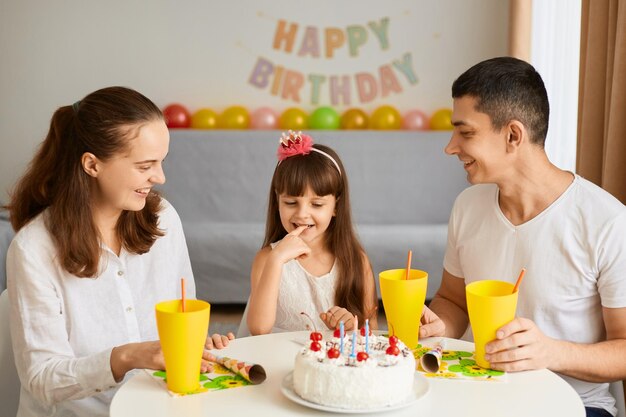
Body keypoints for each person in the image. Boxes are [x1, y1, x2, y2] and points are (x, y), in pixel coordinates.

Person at [5, 86, 234, 417]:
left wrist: (198, 346)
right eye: (145, 166)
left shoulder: (163, 218)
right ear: (92, 164)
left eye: (161, 162)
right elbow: (42, 378)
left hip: (158, 405)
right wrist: (125, 357)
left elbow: (181, 318)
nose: (160, 177)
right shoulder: (33, 249)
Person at [419, 57, 626, 417]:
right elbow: (453, 300)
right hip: (476, 394)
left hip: (574, 404)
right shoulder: (468, 206)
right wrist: (440, 324)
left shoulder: (606, 221)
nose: (450, 147)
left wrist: (552, 352)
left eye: (465, 132)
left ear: (513, 135)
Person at [246, 131, 378, 335]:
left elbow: (371, 331)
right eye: (290, 203)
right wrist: (277, 258)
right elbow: (258, 329)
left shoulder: (356, 261)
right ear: (277, 202)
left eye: (316, 204)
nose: (302, 214)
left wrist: (352, 326)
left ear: (336, 206)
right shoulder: (267, 259)